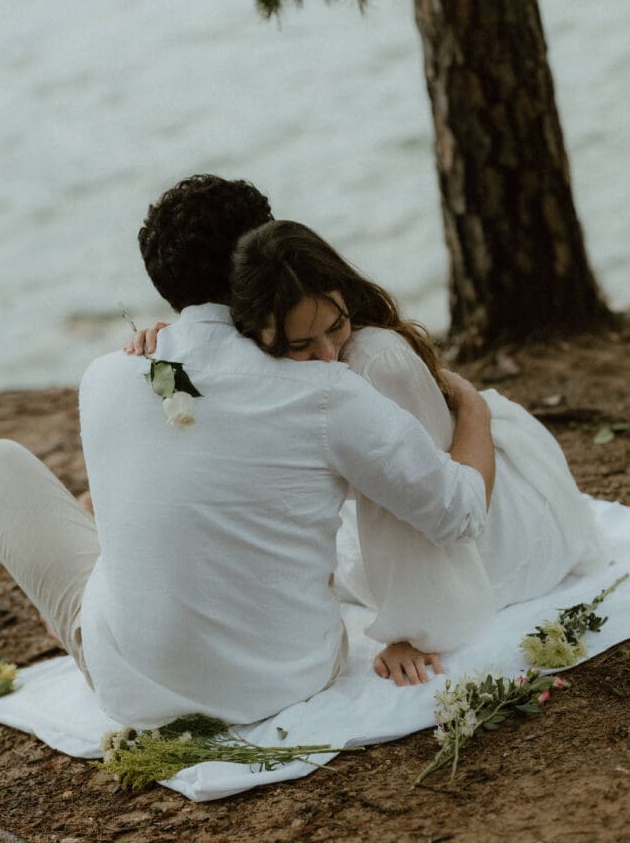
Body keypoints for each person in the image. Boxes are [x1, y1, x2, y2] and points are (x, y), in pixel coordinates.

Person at [0, 176, 496, 728]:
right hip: (292, 677)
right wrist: (475, 410)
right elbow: (459, 512)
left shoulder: (106, 377)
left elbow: (196, 388)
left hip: (134, 693)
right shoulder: (326, 388)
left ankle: (85, 607)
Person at [224, 218, 607, 681]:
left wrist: (412, 628)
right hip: (440, 494)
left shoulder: (375, 360)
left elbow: (437, 506)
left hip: (485, 518)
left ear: (346, 297)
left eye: (336, 325)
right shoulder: (258, 358)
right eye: (301, 344)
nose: (327, 353)